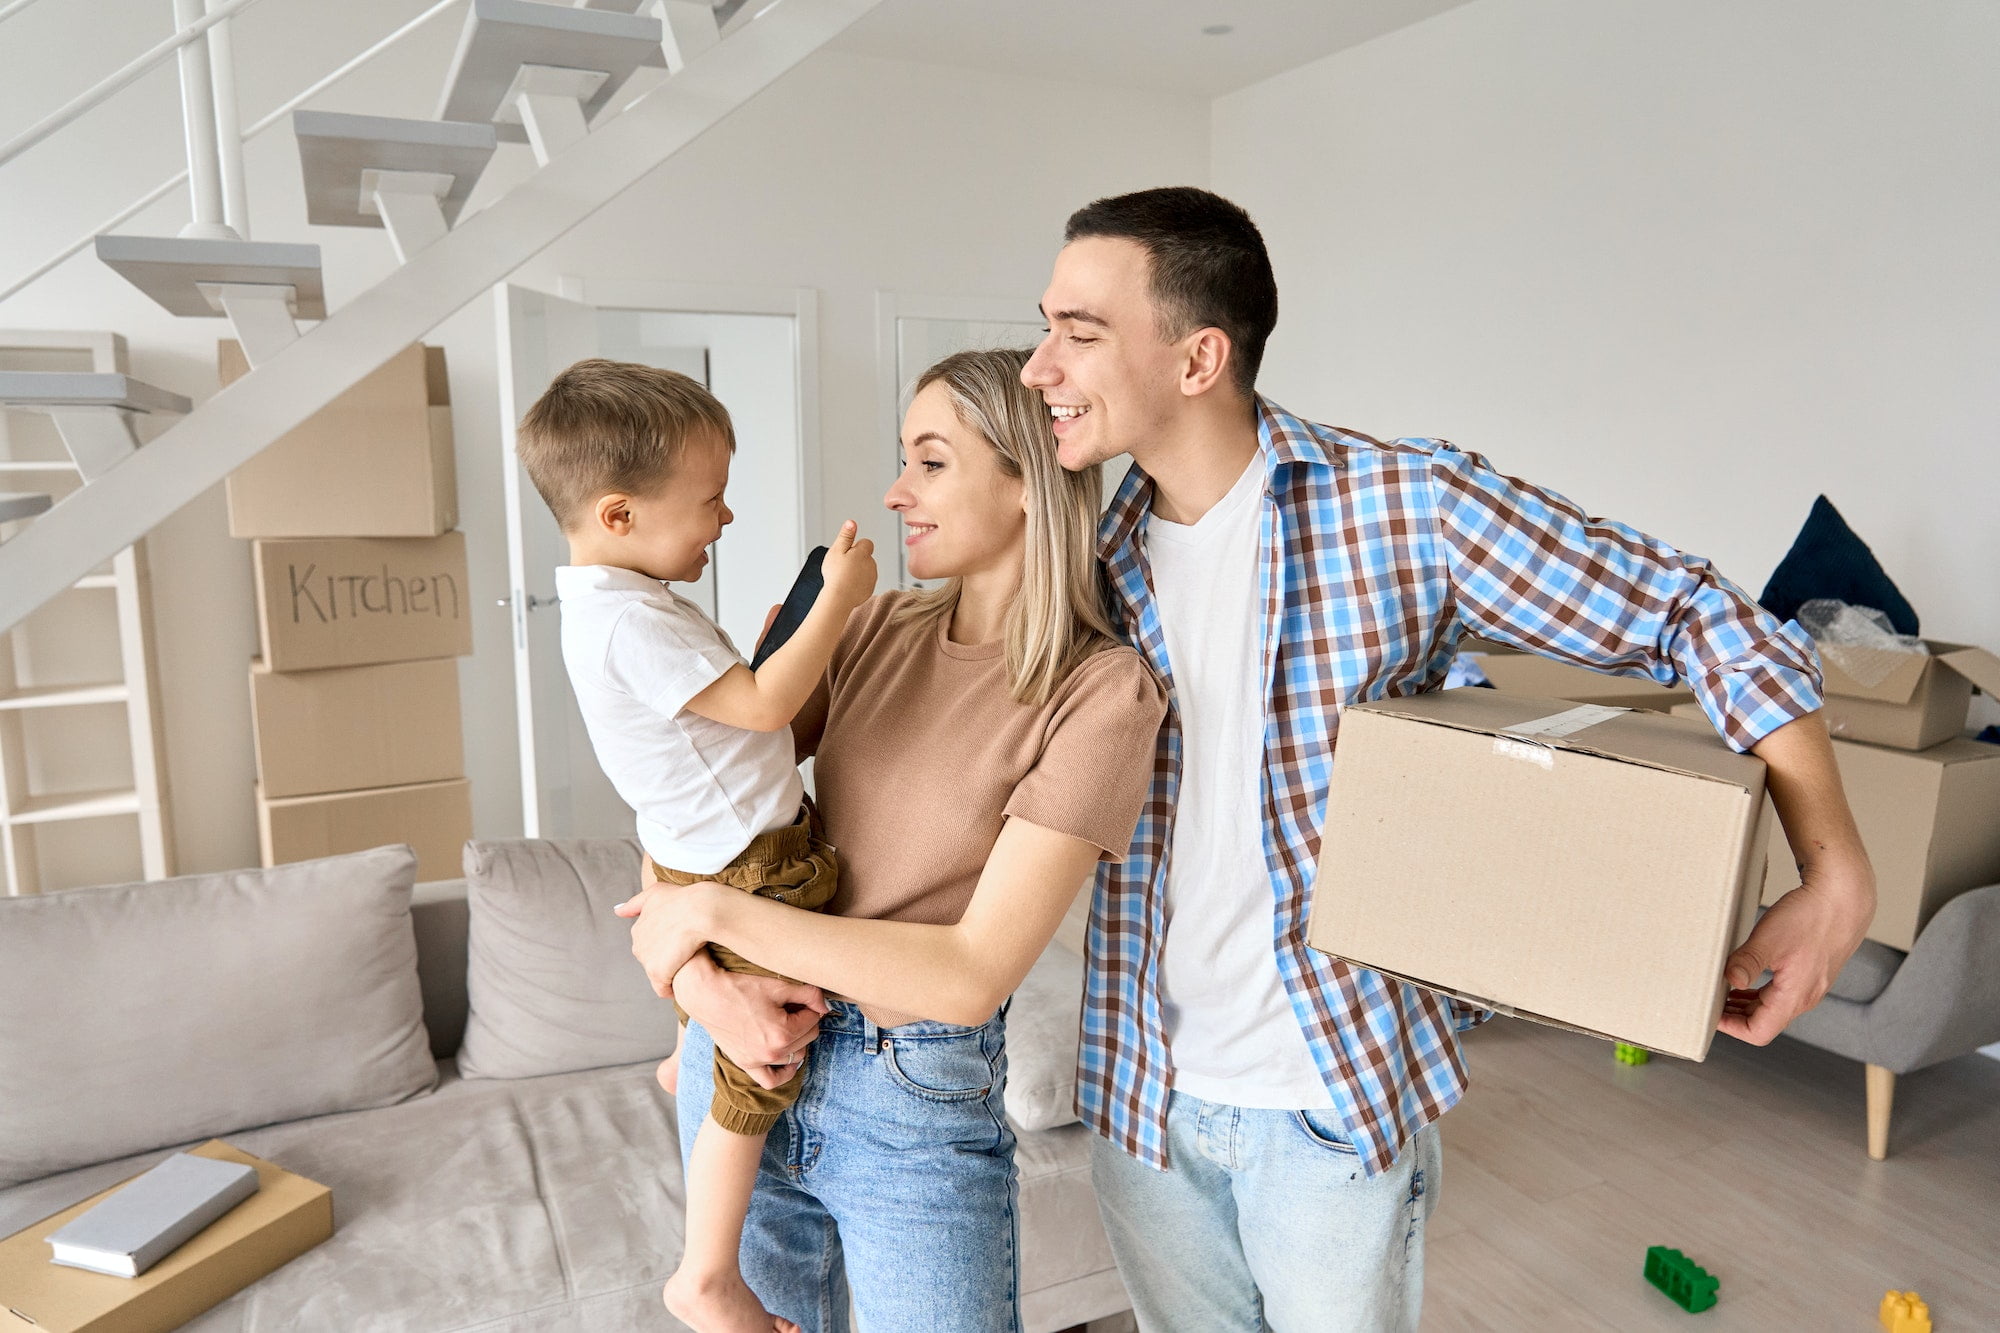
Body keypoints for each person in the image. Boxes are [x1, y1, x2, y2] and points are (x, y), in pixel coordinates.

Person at [1017, 186, 1877, 1331]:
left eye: (1077, 333)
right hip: (1139, 1100)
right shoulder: (1089, 558)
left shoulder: (1405, 506)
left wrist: (1835, 871)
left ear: (1196, 359)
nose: (1040, 367)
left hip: (1328, 1098)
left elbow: (1696, 613)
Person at [617, 347, 1168, 1333]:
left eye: (929, 461)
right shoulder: (865, 629)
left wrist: (701, 914)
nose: (893, 490)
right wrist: (702, 985)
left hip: (912, 1095)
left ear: (1028, 483)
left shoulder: (1101, 692)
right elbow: (687, 803)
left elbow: (968, 973)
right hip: (743, 1050)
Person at [515, 358, 878, 1333]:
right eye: (710, 501)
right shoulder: (631, 621)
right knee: (757, 1070)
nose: (723, 520)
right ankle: (706, 1275)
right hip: (741, 865)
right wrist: (836, 603)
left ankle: (683, 1050)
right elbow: (764, 705)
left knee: (715, 1028)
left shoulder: (615, 605)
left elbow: (731, 721)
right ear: (620, 514)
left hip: (696, 848)